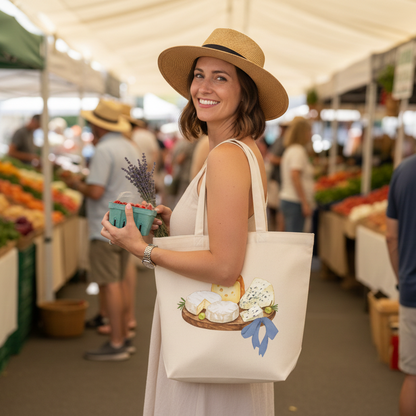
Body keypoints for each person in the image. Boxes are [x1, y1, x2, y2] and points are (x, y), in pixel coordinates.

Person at [101, 28, 288, 415]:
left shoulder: (226, 157)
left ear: (245, 92)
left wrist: (144, 250)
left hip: (209, 333)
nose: (204, 86)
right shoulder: (240, 150)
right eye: (199, 75)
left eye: (221, 77)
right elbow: (223, 234)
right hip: (216, 331)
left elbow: (223, 266)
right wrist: (175, 225)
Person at [65, 99, 140, 361]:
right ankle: (123, 335)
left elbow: (95, 191)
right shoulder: (130, 145)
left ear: (98, 126)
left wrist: (77, 184)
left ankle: (117, 341)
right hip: (127, 223)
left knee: (110, 284)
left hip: (105, 226)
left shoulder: (103, 150)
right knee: (117, 281)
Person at [386, 154, 416, 416]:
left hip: (412, 290)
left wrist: (402, 279)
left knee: (413, 376)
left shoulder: (404, 171)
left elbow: (391, 237)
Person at [279, 116, 315, 232]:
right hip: (295, 202)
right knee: (294, 242)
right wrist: (304, 203)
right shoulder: (298, 151)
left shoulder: (292, 149)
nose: (311, 134)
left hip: (291, 200)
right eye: (309, 131)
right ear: (303, 132)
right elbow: (295, 176)